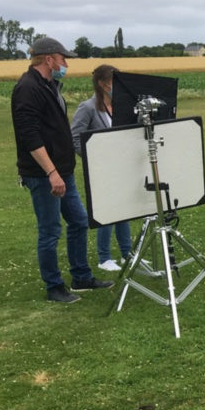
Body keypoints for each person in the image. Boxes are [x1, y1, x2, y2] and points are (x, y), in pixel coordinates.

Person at [11, 36, 113, 303]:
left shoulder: (49, 86)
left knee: (79, 221)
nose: (65, 63)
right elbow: (30, 136)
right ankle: (54, 287)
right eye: (62, 58)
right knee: (50, 230)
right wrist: (51, 172)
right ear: (49, 59)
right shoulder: (27, 88)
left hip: (63, 170)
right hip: (44, 174)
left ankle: (81, 277)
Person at [70, 64, 133, 271]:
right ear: (103, 84)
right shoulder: (87, 108)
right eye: (115, 81)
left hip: (121, 167)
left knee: (124, 209)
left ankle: (127, 253)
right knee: (107, 211)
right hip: (101, 169)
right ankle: (104, 257)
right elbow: (75, 138)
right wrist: (93, 159)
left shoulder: (121, 105)